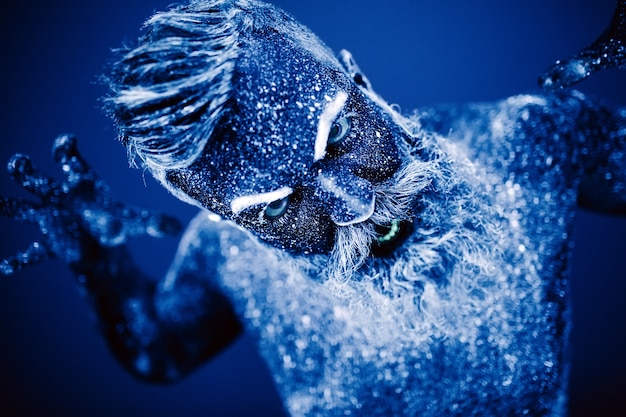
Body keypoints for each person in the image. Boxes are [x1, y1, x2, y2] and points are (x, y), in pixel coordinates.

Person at [1, 0, 624, 415]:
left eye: (341, 137)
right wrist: (96, 263)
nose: (356, 209)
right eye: (276, 209)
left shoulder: (529, 147)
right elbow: (163, 353)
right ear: (227, 219)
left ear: (359, 79)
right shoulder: (227, 258)